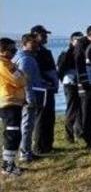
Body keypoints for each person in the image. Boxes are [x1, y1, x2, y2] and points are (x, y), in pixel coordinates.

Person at [14, 34, 45, 162]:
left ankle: (26, 150)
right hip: (27, 97)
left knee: (27, 124)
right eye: (33, 43)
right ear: (25, 43)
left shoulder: (27, 57)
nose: (37, 45)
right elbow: (24, 80)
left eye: (37, 43)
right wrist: (30, 98)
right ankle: (24, 153)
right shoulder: (25, 59)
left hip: (26, 95)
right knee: (27, 124)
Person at [0, 37, 27, 176]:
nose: (15, 51)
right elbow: (19, 81)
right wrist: (21, 75)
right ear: (3, 50)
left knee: (14, 133)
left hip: (15, 102)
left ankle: (9, 163)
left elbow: (22, 77)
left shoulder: (9, 63)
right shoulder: (3, 65)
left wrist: (21, 76)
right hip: (8, 102)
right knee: (12, 133)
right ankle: (7, 166)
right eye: (12, 49)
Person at [30, 25, 59, 154]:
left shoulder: (45, 51)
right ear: (35, 36)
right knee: (41, 118)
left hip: (50, 88)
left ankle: (48, 145)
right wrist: (45, 80)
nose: (46, 37)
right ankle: (39, 147)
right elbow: (34, 72)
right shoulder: (33, 53)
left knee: (49, 116)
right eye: (43, 35)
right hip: (40, 89)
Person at [57, 32, 84, 143]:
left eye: (81, 40)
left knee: (80, 108)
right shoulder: (66, 54)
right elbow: (60, 69)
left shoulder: (82, 52)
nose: (79, 42)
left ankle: (79, 132)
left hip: (80, 83)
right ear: (71, 41)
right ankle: (69, 136)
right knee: (72, 109)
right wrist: (64, 80)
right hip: (70, 84)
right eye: (77, 40)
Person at [74, 25, 91, 148]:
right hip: (85, 83)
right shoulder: (81, 44)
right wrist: (83, 82)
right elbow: (78, 63)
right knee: (86, 112)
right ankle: (87, 137)